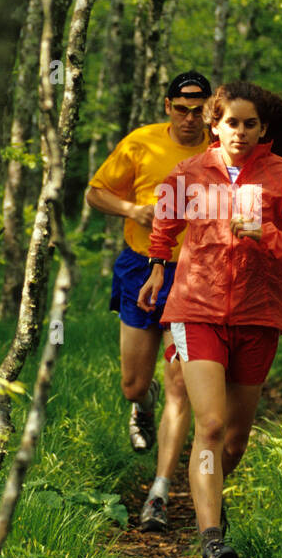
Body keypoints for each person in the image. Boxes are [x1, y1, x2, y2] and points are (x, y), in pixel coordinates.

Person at [137, 80, 282, 558]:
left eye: (251, 124)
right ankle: (211, 544)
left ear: (263, 129)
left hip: (257, 313)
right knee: (209, 423)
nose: (241, 132)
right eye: (232, 123)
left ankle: (212, 500)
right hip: (196, 308)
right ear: (214, 124)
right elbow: (164, 222)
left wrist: (269, 237)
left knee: (235, 438)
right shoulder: (189, 173)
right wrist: (159, 268)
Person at [86, 70, 212, 532]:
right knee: (133, 384)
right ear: (167, 107)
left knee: (180, 384)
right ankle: (143, 403)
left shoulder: (220, 149)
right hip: (140, 266)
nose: (189, 119)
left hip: (194, 276)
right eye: (181, 109)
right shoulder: (140, 143)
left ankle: (159, 492)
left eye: (198, 110)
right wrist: (132, 210)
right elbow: (95, 192)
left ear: (210, 108)